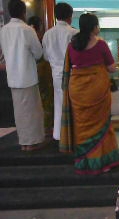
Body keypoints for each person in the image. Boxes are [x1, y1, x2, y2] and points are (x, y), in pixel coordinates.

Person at [60, 13, 119, 175]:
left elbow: (70, 66)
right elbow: (111, 68)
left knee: (81, 126)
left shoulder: (71, 45)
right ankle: (102, 162)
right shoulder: (100, 45)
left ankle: (84, 162)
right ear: (94, 27)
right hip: (97, 90)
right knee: (101, 125)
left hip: (78, 90)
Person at [0, 0, 45, 151]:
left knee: (19, 112)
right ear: (23, 12)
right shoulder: (27, 30)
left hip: (12, 76)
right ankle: (32, 142)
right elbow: (38, 53)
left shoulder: (4, 30)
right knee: (32, 112)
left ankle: (24, 142)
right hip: (27, 76)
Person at [42, 2, 78, 141]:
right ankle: (73, 135)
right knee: (74, 104)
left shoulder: (48, 34)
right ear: (70, 16)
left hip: (56, 74)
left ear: (56, 16)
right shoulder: (74, 33)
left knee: (59, 103)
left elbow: (45, 56)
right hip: (73, 74)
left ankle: (58, 135)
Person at [28, 16, 54, 137]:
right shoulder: (38, 38)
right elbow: (42, 55)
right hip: (43, 71)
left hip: (30, 74)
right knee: (46, 100)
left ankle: (40, 129)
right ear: (40, 26)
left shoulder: (27, 37)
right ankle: (46, 129)